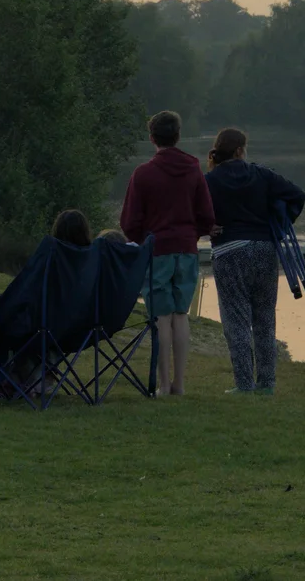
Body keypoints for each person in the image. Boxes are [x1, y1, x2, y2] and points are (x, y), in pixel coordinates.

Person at [120, 110, 215, 396]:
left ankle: (163, 385)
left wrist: (144, 240)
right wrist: (192, 235)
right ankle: (180, 383)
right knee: (180, 314)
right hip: (186, 249)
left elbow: (129, 223)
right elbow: (207, 215)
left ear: (152, 138)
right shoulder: (194, 168)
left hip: (157, 250)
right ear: (178, 136)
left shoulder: (143, 174)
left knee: (161, 317)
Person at [204, 128, 305, 395]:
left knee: (236, 320)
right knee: (264, 318)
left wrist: (206, 226)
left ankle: (244, 384)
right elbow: (297, 194)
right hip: (264, 248)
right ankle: (267, 383)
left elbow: (195, 210)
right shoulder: (262, 174)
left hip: (229, 251)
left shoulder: (209, 180)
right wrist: (280, 219)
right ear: (240, 151)